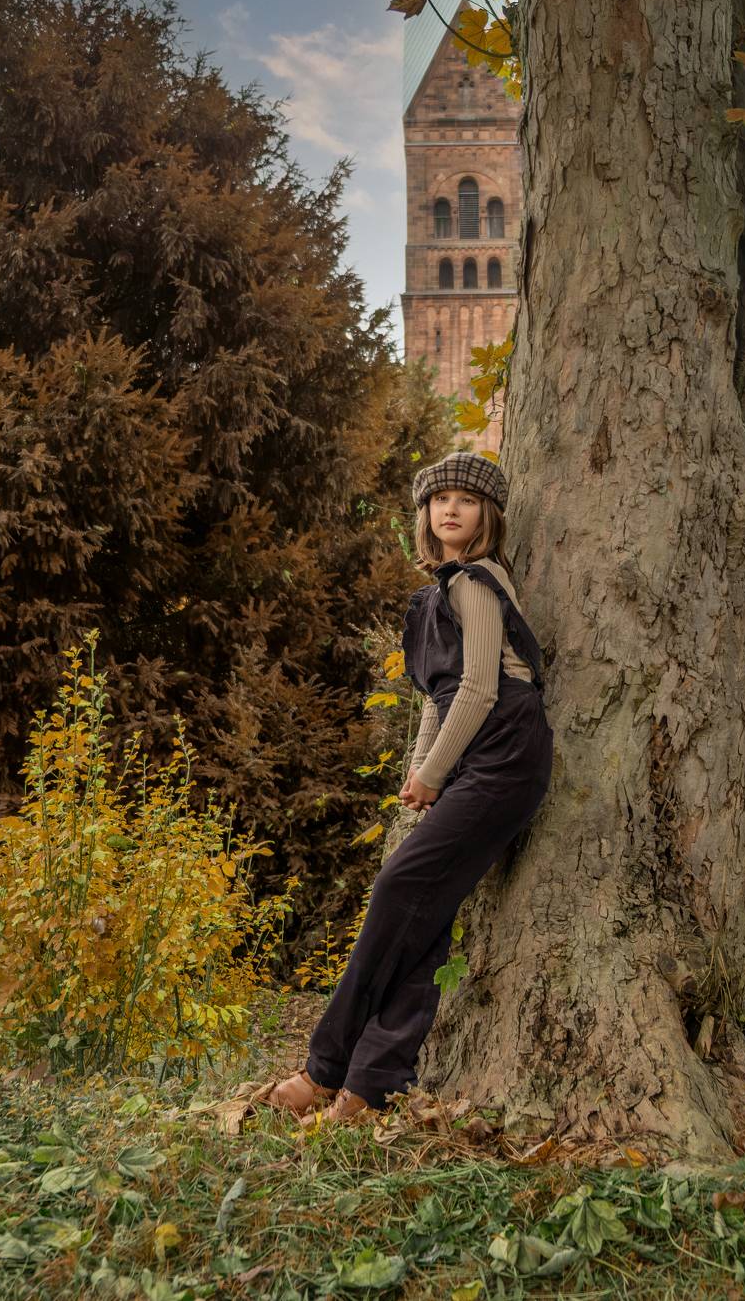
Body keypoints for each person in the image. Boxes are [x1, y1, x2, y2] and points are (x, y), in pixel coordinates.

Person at [267, 450, 555, 1125]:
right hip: (474, 748)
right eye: (438, 499)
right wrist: (419, 768)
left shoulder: (477, 582)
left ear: (488, 516)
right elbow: (437, 696)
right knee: (423, 921)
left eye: (467, 500)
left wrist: (432, 772)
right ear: (424, 514)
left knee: (399, 887)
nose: (450, 509)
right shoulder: (436, 592)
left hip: (505, 751)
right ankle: (370, 1087)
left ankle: (323, 1069)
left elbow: (480, 688)